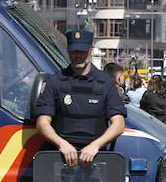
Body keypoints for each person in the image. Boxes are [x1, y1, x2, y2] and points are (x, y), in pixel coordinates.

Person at [34, 29, 127, 168]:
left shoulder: (105, 83)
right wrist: (62, 144)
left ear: (91, 50)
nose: (77, 55)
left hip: (96, 159)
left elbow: (119, 125)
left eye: (82, 51)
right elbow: (42, 123)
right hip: (60, 157)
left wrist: (95, 146)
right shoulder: (56, 81)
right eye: (73, 51)